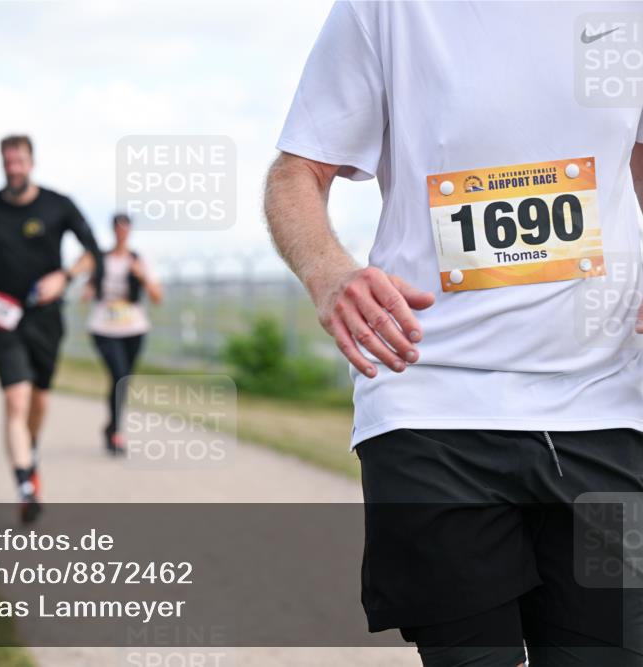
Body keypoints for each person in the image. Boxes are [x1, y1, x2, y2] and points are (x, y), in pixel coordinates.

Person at [265, 3, 643, 666]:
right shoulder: (386, 10)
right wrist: (330, 272)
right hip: (433, 403)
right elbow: (297, 172)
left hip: (606, 401)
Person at [0, 135, 102, 524]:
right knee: (16, 400)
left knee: (40, 402)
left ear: (31, 162)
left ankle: (30, 453)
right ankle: (26, 486)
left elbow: (93, 251)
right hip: (1, 316)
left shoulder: (58, 205)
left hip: (46, 317)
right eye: (7, 162)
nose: (13, 168)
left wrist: (66, 276)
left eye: (19, 161)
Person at [76, 213, 162, 454]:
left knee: (123, 381)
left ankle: (112, 427)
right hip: (104, 326)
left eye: (125, 228)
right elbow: (87, 288)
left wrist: (142, 276)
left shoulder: (139, 260)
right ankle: (116, 433)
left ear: (130, 231)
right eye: (117, 228)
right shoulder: (100, 259)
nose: (121, 232)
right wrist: (88, 288)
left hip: (133, 326)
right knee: (119, 374)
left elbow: (157, 297)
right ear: (113, 230)